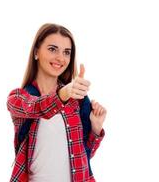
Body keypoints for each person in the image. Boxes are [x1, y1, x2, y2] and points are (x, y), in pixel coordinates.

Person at [7, 23, 107, 182]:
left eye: (66, 52)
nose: (61, 58)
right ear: (36, 52)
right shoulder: (18, 98)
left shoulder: (78, 100)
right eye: (53, 49)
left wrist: (96, 128)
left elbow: (85, 155)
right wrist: (63, 94)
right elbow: (39, 107)